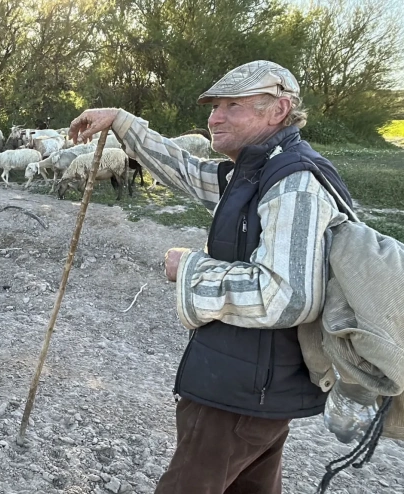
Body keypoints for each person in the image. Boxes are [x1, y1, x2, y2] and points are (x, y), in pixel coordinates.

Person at [68, 60, 354, 494]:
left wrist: (190, 269)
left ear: (278, 110)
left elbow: (287, 295)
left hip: (240, 393)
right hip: (257, 388)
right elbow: (186, 171)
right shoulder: (257, 171)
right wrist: (123, 123)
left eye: (232, 106)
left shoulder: (294, 183)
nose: (214, 118)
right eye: (215, 106)